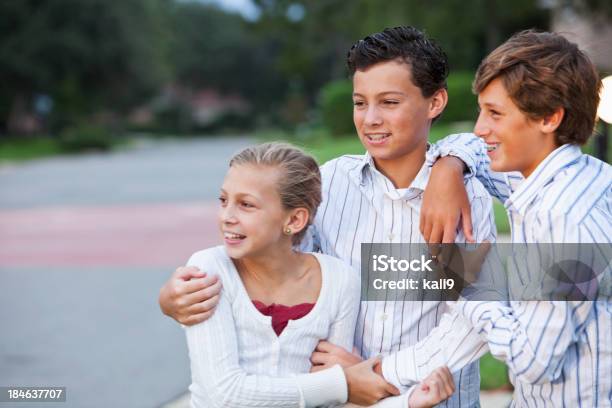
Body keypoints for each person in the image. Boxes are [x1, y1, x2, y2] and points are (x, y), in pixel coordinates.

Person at [161, 26, 495, 406]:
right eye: (359, 102)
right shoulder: (332, 182)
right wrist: (178, 296)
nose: (370, 119)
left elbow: (469, 321)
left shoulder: (466, 197)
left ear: (435, 103)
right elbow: (269, 261)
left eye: (389, 102)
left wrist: (380, 374)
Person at [380, 30, 612, 407]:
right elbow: (471, 146)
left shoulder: (561, 220)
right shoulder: (587, 177)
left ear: (550, 118)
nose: (480, 127)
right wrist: (449, 168)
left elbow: (533, 361)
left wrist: (470, 282)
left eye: (495, 114)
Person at [182, 141, 454, 408]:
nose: (226, 216)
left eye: (246, 205)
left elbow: (333, 402)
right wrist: (344, 383)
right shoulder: (210, 269)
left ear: (294, 220)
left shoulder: (338, 280)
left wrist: (407, 402)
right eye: (223, 200)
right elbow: (223, 394)